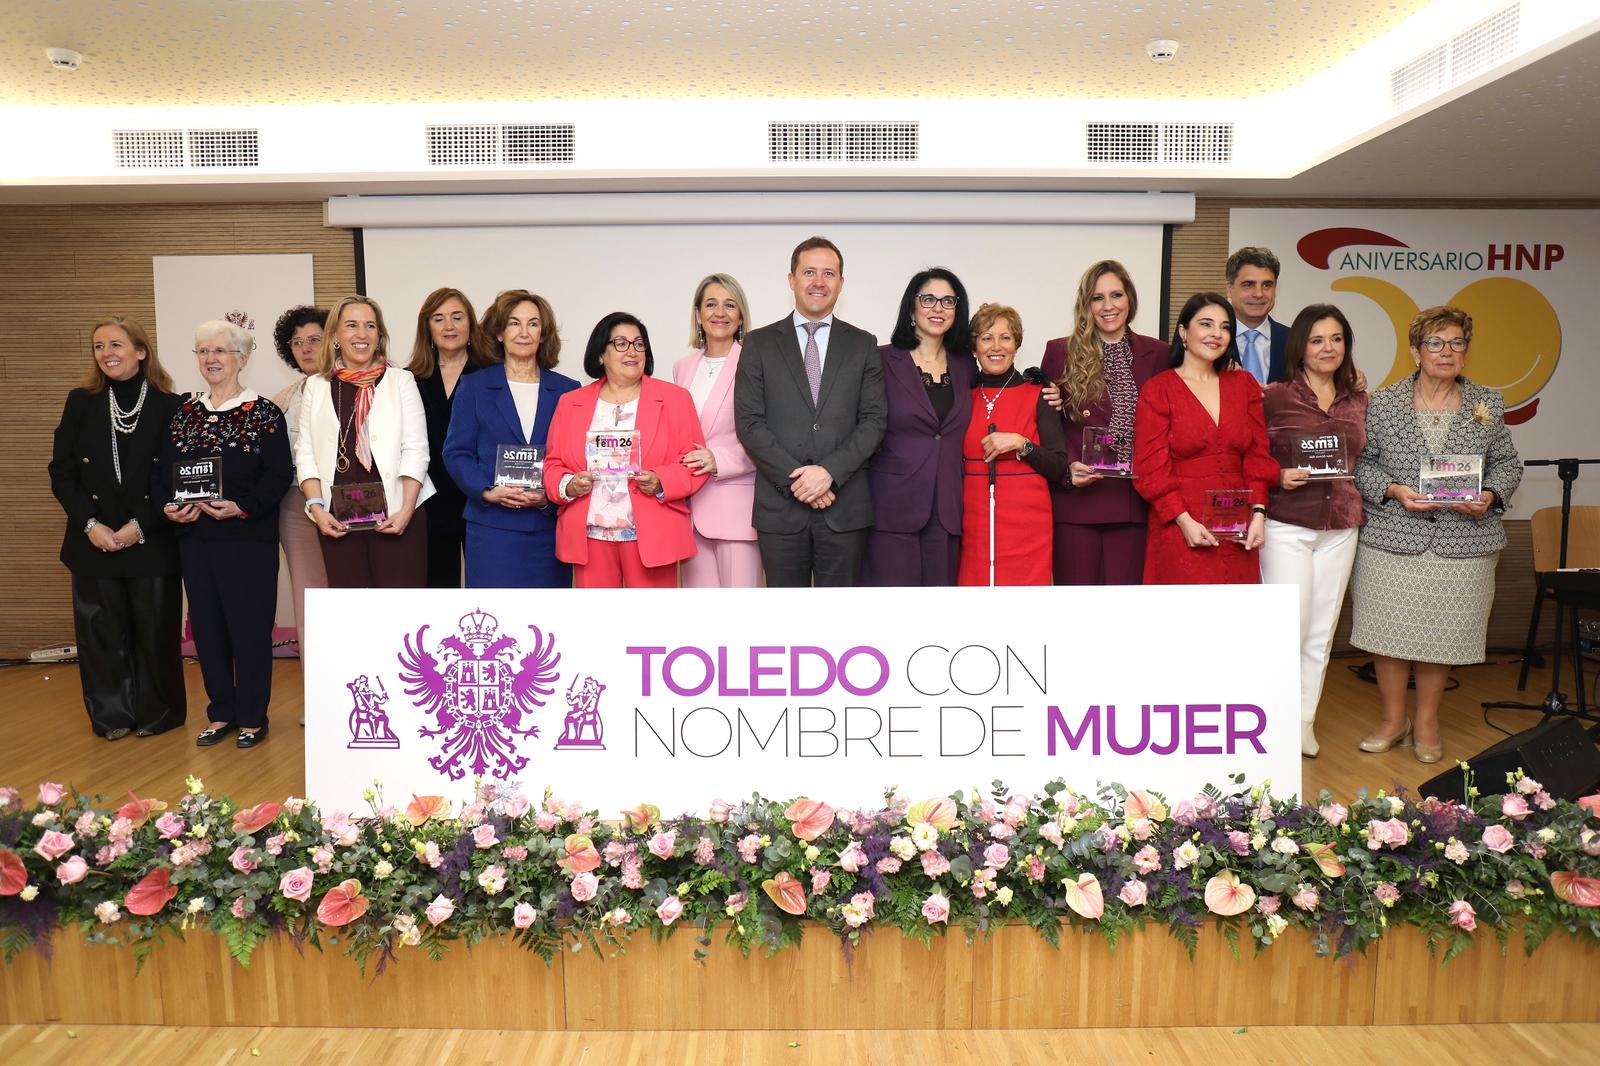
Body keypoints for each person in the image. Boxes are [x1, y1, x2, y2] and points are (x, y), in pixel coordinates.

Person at [1350, 305, 1522, 763]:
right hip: (1393, 535)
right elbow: (1362, 465)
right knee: (1387, 633)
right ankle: (1393, 720)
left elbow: (1508, 464)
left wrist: (1489, 495)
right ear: (1416, 351)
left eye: (1456, 343)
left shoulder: (1488, 403)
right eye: (1435, 343)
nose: (1446, 352)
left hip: (1463, 540)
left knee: (1440, 635)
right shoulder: (1383, 403)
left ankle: (1426, 722)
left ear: (1466, 351)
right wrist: (1392, 489)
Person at [49, 317, 187, 740]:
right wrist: (90, 525)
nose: (106, 353)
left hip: (151, 537)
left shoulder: (171, 405)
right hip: (93, 538)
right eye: (98, 346)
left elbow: (176, 476)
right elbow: (62, 472)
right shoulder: (81, 402)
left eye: (116, 344)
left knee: (155, 632)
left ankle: (158, 715)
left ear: (140, 351)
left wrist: (139, 526)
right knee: (101, 636)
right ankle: (111, 717)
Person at [159, 321, 292, 749]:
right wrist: (169, 506)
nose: (211, 359)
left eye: (220, 351)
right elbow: (163, 473)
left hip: (247, 539)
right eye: (203, 351)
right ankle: (220, 713)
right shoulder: (184, 414)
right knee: (208, 629)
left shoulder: (264, 413)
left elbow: (279, 475)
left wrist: (242, 505)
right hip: (195, 540)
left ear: (243, 358)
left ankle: (252, 717)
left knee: (249, 629)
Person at [734, 236, 886, 586]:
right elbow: (749, 423)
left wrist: (828, 473)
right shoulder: (758, 343)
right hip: (780, 510)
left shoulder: (863, 344)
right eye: (809, 272)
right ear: (792, 279)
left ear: (840, 283)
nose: (819, 282)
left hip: (844, 508)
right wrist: (801, 482)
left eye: (828, 273)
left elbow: (874, 421)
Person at [1260, 304, 1368, 758]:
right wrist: (1277, 474)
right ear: (1299, 347)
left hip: (1341, 525)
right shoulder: (1273, 396)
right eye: (1317, 340)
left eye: (1336, 339)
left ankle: (1303, 722)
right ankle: (1270, 720)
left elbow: (1365, 459)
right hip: (1289, 524)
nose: (1328, 348)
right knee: (1289, 628)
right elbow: (1251, 455)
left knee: (1321, 632)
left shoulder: (1359, 400)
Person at [544, 313, 707, 587]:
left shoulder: (675, 399)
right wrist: (569, 485)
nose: (632, 351)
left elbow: (694, 463)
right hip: (590, 536)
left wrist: (661, 481)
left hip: (653, 534)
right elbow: (553, 464)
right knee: (598, 615)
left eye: (638, 344)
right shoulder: (571, 403)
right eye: (621, 343)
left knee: (650, 616)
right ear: (600, 355)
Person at [1133, 293, 1277, 584]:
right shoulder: (1159, 389)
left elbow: (1258, 455)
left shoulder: (1244, 384)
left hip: (1239, 531)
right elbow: (1150, 468)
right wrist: (1183, 520)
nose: (1217, 334)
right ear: (1183, 332)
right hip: (1181, 527)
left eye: (1225, 327)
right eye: (1206, 324)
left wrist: (1259, 514)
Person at [1040, 260, 1168, 585]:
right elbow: (1047, 422)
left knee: (1125, 608)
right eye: (1098, 298)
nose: (1108, 306)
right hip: (1077, 502)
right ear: (1086, 304)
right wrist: (1068, 466)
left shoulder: (1160, 354)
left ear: (1130, 299)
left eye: (1116, 295)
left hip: (1133, 504)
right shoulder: (1060, 351)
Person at [443, 289, 580, 588]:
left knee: (548, 615)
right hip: (492, 527)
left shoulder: (568, 390)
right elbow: (456, 452)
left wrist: (552, 494)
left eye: (533, 324)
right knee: (495, 613)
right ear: (500, 333)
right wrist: (486, 490)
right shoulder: (474, 387)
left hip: (548, 526)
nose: (524, 332)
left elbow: (574, 456)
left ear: (543, 334)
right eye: (514, 323)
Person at [296, 296, 435, 587]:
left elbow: (416, 449)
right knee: (353, 609)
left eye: (370, 326)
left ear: (379, 335)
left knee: (401, 608)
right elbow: (305, 452)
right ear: (335, 336)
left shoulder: (401, 380)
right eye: (351, 325)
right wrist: (317, 510)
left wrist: (406, 510)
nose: (362, 334)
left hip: (397, 515)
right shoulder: (316, 386)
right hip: (338, 519)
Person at [862, 267, 975, 587]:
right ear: (911, 309)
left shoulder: (966, 365)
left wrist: (1044, 390)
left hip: (947, 509)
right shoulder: (881, 360)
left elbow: (994, 398)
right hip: (892, 508)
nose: (938, 308)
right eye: (928, 299)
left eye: (948, 301)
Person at [957, 304, 1066, 587]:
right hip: (973, 523)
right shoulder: (960, 396)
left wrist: (1021, 443)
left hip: (1027, 526)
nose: (996, 346)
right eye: (986, 337)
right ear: (974, 347)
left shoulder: (1040, 394)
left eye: (1005, 337)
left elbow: (1059, 467)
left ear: (1016, 345)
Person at [671, 274, 762, 587]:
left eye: (729, 305)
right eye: (711, 304)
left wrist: (718, 459)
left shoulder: (756, 364)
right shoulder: (682, 367)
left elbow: (767, 435)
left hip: (737, 511)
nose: (719, 313)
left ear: (740, 316)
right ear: (698, 314)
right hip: (689, 512)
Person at [410, 287, 495, 588]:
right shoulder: (409, 379)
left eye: (457, 317)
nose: (449, 326)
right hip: (429, 500)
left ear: (470, 324)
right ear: (427, 328)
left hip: (482, 497)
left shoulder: (493, 375)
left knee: (488, 587)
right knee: (437, 590)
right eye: (439, 319)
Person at [270, 305, 329, 657]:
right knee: (308, 595)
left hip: (350, 501)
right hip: (296, 504)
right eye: (297, 342)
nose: (305, 348)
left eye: (314, 339)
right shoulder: (284, 399)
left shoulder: (364, 387)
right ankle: (316, 683)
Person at [1225, 247, 1288, 385]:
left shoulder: (1296, 341)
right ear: (1229, 289)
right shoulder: (1211, 341)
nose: (1259, 294)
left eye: (1267, 285)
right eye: (1248, 285)